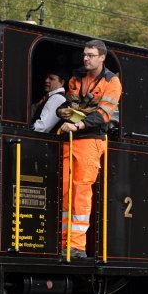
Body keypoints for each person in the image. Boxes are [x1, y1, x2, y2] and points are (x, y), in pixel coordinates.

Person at [56, 40, 122, 260]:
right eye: (85, 55)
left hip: (91, 140)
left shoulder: (112, 82)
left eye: (91, 55)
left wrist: (78, 124)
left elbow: (103, 114)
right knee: (64, 190)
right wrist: (63, 112)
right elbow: (69, 103)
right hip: (70, 138)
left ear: (102, 57)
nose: (86, 59)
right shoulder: (76, 79)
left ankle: (76, 246)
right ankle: (63, 241)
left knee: (81, 191)